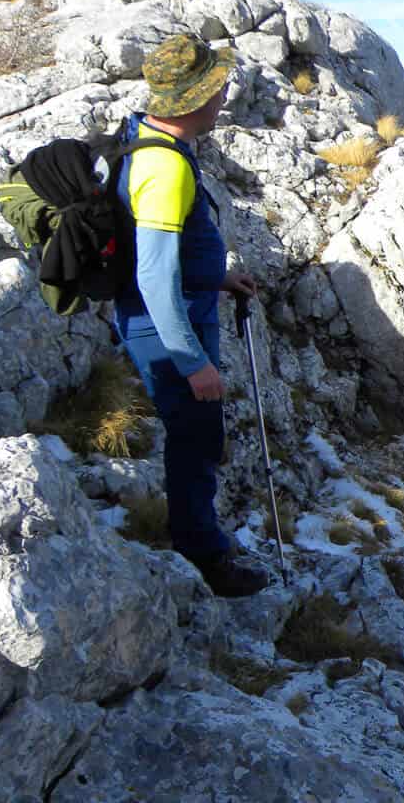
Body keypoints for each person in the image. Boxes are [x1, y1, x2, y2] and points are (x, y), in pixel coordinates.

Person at [113, 34, 267, 597]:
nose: (225, 92)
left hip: (180, 309)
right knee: (196, 438)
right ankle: (205, 559)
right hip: (168, 329)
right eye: (217, 86)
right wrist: (192, 361)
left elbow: (166, 255)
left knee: (194, 436)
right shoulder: (166, 169)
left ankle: (199, 541)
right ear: (197, 99)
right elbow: (153, 275)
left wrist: (216, 276)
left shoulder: (147, 137)